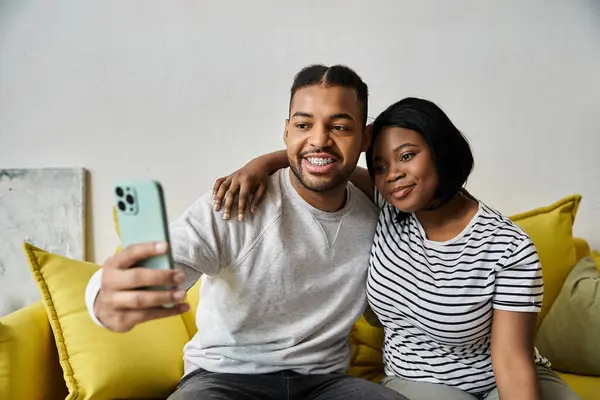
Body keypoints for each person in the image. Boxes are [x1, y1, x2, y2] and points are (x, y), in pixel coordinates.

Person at [213, 98, 581, 400]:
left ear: (440, 151)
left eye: (407, 156)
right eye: (380, 165)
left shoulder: (508, 246)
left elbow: (511, 361)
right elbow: (325, 167)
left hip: (508, 374)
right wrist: (259, 165)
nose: (392, 174)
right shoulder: (387, 205)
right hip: (424, 383)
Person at [84, 64, 409, 400]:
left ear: (365, 138)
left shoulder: (379, 210)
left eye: (339, 127)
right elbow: (173, 254)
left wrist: (267, 160)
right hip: (223, 377)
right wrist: (103, 298)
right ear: (286, 133)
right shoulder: (238, 199)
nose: (318, 139)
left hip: (324, 383)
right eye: (303, 125)